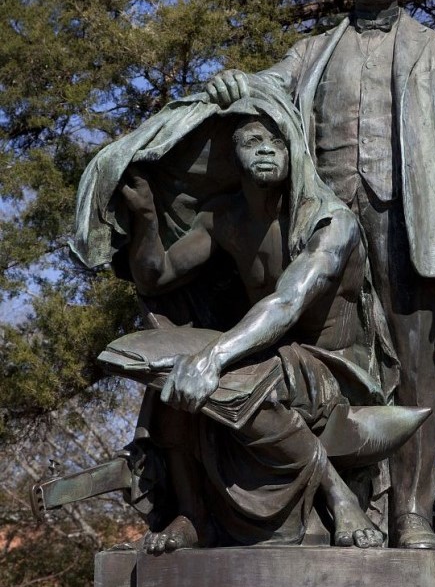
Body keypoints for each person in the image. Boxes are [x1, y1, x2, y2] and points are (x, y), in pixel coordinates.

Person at [204, 0, 435, 550]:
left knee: (414, 367)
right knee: (312, 358)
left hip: (405, 221)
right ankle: (319, 512)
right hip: (323, 221)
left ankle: (412, 515)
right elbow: (262, 88)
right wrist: (234, 83)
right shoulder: (310, 51)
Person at [119, 108, 385, 551]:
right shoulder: (225, 219)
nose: (265, 149)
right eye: (251, 141)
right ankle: (193, 515)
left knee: (230, 376)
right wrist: (146, 216)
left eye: (276, 142)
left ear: (293, 151)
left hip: (334, 368)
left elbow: (288, 301)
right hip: (269, 354)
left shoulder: (331, 223)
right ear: (231, 156)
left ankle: (337, 494)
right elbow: (155, 276)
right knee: (168, 375)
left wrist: (215, 356)